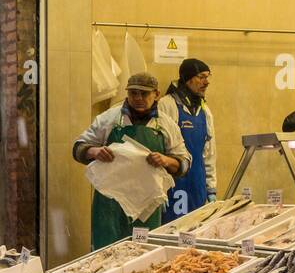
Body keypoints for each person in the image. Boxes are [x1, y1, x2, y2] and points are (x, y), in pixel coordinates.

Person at [73, 71, 192, 250]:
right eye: (133, 93)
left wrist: (166, 160)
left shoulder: (166, 124)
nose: (138, 98)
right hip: (109, 203)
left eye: (144, 93)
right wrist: (94, 151)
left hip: (147, 205)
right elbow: (78, 148)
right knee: (105, 252)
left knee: (144, 254)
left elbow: (184, 162)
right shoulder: (110, 119)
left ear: (156, 94)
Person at [161, 58, 216, 221]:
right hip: (173, 185)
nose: (206, 82)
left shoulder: (205, 111)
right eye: (201, 77)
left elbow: (209, 154)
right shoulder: (166, 105)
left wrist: (211, 189)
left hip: (197, 184)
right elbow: (159, 149)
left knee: (195, 237)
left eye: (208, 77)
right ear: (187, 78)